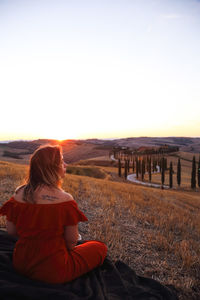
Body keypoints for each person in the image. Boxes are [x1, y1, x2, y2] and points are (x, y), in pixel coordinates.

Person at [0, 145, 107, 284]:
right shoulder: (66, 200)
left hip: (21, 264)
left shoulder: (18, 194)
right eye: (61, 161)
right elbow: (71, 242)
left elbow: (12, 231)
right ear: (51, 168)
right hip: (53, 271)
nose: (65, 164)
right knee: (100, 247)